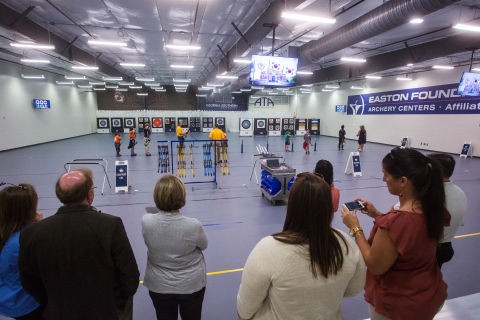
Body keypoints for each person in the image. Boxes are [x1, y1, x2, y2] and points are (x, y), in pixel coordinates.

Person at [237, 172, 366, 320]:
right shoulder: (346, 244)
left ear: (292, 206)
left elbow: (244, 312)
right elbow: (354, 289)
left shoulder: (267, 250)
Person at [341, 147, 449, 320]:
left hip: (398, 305)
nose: (383, 179)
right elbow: (408, 231)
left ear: (403, 181)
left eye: (386, 175)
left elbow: (375, 265)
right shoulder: (431, 208)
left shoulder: (395, 223)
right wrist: (376, 214)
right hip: (427, 293)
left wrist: (355, 228)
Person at [19, 168, 140, 320]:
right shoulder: (110, 225)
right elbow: (130, 278)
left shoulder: (31, 234)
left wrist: (53, 303)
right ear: (90, 194)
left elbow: (29, 281)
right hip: (105, 311)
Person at [142, 175, 208, 320]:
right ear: (182, 196)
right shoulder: (193, 225)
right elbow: (204, 245)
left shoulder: (146, 221)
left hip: (159, 285)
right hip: (190, 285)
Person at [392, 153, 467, 268]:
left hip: (426, 250)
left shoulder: (427, 196)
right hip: (445, 246)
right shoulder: (460, 192)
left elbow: (394, 218)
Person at [0, 183, 45, 320]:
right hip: (26, 303)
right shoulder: (22, 240)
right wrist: (38, 226)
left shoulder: (5, 232)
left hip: (6, 295)